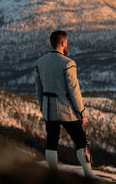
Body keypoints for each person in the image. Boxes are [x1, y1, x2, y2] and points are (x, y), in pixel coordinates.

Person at [34, 30, 93, 178]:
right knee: (81, 141)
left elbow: (38, 89)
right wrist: (81, 113)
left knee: (52, 141)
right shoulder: (68, 63)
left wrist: (43, 107)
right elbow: (74, 90)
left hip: (49, 109)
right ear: (63, 43)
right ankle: (88, 175)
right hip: (67, 110)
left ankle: (53, 174)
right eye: (66, 42)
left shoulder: (40, 62)